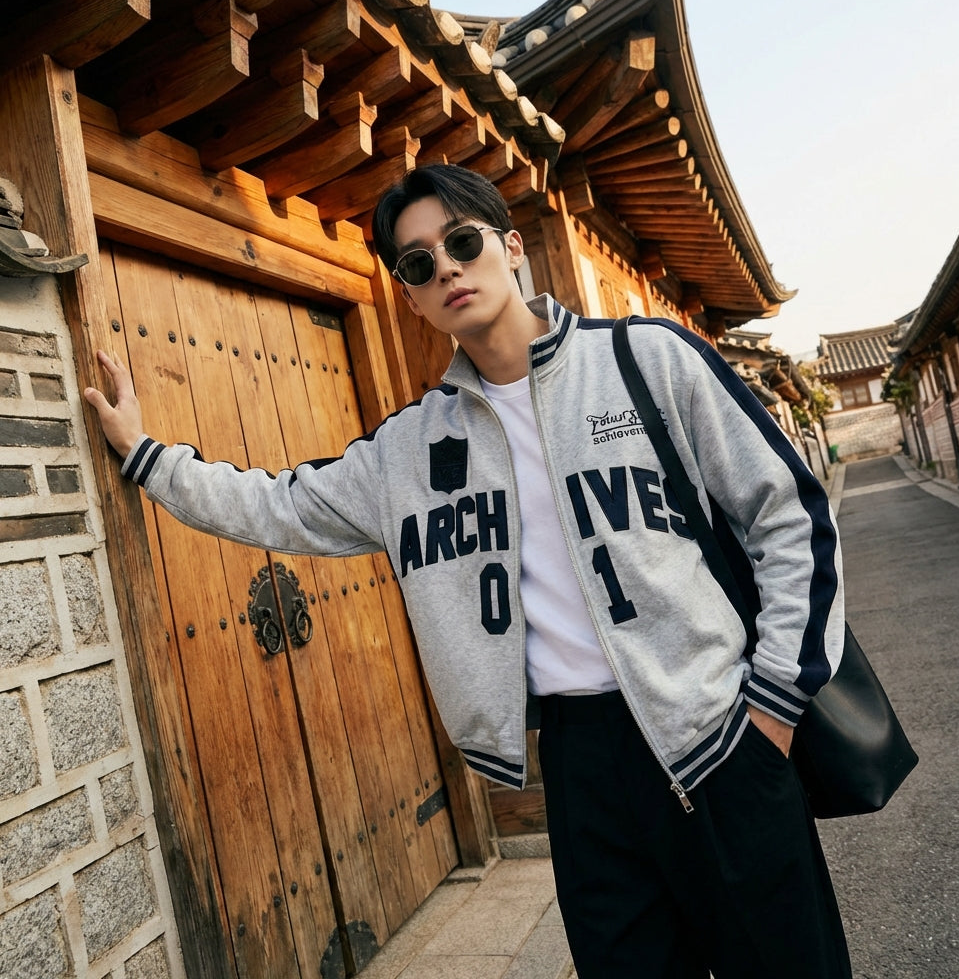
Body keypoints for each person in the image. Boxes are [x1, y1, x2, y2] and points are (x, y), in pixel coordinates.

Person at [84, 163, 851, 978]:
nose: (446, 268)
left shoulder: (646, 361)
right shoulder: (407, 452)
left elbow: (788, 515)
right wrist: (145, 455)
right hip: (580, 763)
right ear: (410, 297)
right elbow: (278, 505)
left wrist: (773, 707)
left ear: (511, 248)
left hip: (720, 734)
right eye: (419, 263)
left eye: (462, 242)